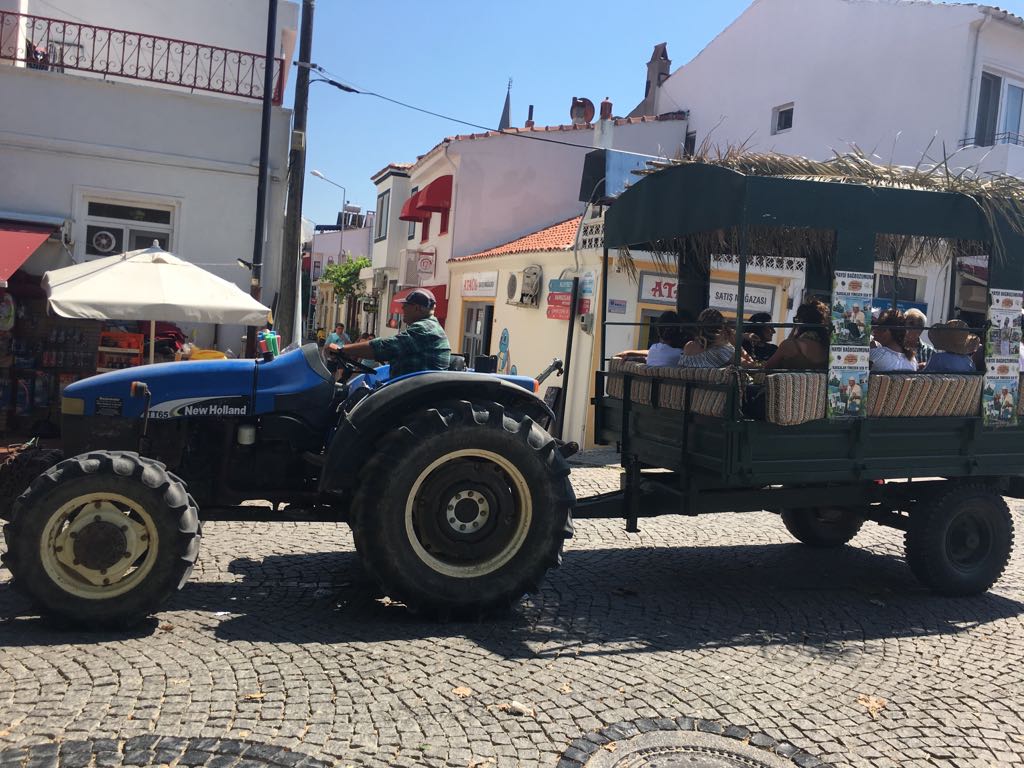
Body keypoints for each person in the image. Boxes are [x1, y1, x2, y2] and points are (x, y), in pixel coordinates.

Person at [339, 289, 450, 378]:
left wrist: (342, 349)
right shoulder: (430, 327)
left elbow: (385, 347)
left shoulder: (424, 329)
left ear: (417, 308)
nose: (402, 308)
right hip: (411, 389)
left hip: (412, 395)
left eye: (406, 305)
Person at [760, 299, 830, 370]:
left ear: (800, 321)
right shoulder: (827, 347)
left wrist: (794, 330)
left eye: (796, 319)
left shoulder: (791, 345)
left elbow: (767, 368)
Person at [680, 308, 752, 368]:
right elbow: (752, 366)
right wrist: (736, 344)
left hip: (689, 384)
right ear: (722, 328)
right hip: (710, 385)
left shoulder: (688, 346)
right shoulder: (724, 351)